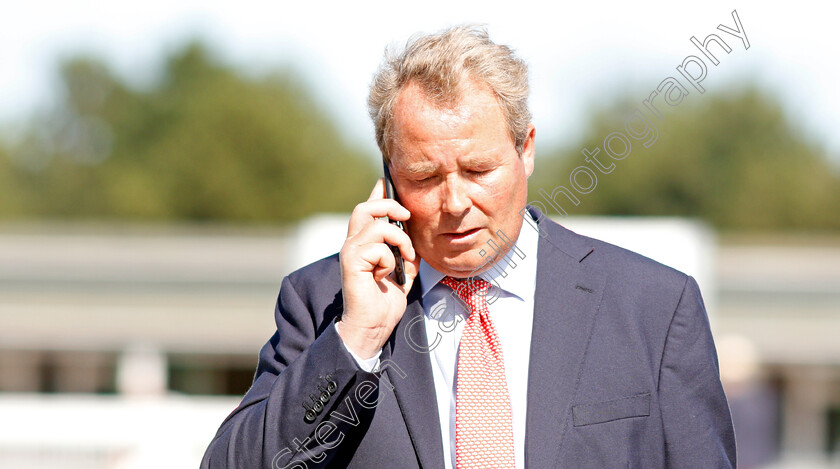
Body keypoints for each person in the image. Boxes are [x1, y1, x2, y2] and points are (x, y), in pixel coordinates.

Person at [201, 25, 736, 469]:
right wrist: (357, 338)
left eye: (479, 170)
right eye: (424, 176)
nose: (454, 201)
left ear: (525, 150)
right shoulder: (323, 304)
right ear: (387, 176)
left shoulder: (654, 308)